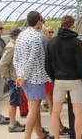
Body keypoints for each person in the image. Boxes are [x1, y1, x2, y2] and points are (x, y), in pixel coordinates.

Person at [45, 15, 82, 139]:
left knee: (55, 112)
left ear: (61, 25)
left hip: (59, 80)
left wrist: (54, 77)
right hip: (75, 80)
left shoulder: (52, 42)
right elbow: (81, 63)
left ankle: (56, 137)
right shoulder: (77, 42)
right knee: (78, 112)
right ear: (72, 26)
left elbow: (47, 64)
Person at [14, 11, 53, 139]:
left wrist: (20, 75)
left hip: (25, 78)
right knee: (34, 109)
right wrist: (24, 76)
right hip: (35, 79)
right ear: (38, 22)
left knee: (33, 108)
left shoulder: (20, 36)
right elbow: (33, 59)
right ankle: (27, 137)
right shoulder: (36, 37)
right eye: (42, 21)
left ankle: (40, 134)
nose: (42, 24)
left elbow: (16, 58)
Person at [43, 26, 70, 136]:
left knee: (53, 104)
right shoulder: (47, 44)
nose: (51, 34)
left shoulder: (50, 43)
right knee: (52, 104)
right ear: (45, 33)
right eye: (49, 32)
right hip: (48, 77)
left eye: (52, 32)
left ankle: (59, 127)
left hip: (49, 76)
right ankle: (59, 128)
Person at [0, 28, 25, 132]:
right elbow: (3, 63)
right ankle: (12, 124)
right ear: (16, 36)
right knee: (13, 102)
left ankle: (14, 121)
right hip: (13, 79)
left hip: (15, 78)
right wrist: (8, 76)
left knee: (15, 101)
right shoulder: (11, 47)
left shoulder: (14, 46)